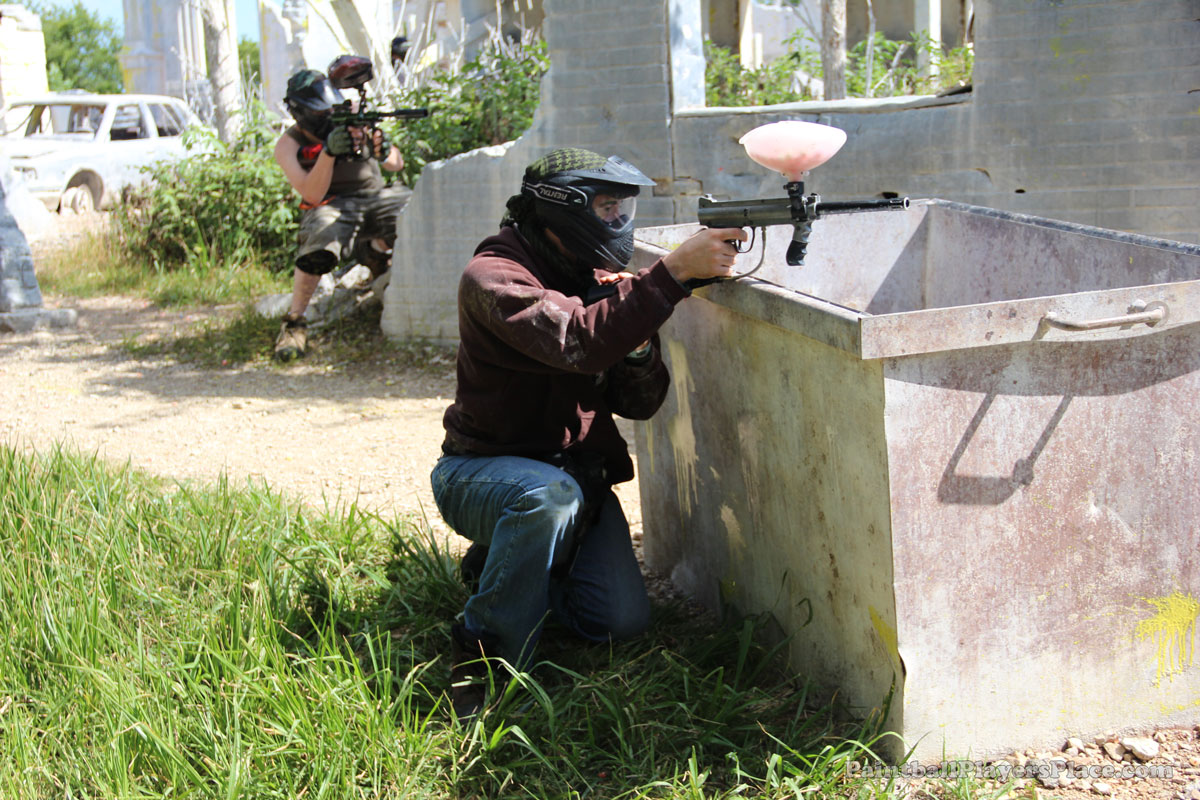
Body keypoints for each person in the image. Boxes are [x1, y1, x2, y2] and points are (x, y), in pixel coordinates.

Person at [430, 147, 747, 718]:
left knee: (619, 622)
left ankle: (505, 566)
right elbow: (577, 340)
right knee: (545, 499)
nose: (618, 220)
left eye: (622, 208)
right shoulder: (493, 278)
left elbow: (640, 404)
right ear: (563, 209)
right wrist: (669, 276)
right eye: (606, 208)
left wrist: (638, 341)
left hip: (575, 484)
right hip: (480, 475)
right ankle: (482, 655)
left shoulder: (598, 281)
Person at [273, 67, 411, 362]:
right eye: (319, 112)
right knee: (318, 245)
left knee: (413, 215)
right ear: (301, 113)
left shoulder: (354, 118)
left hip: (376, 198)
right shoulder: (288, 145)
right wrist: (329, 152)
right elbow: (312, 195)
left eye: (330, 109)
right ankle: (294, 323)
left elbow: (396, 164)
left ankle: (374, 254)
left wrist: (382, 148)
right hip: (332, 206)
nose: (327, 116)